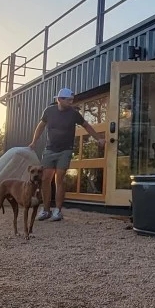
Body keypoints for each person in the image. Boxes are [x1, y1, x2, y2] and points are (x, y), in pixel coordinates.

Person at [28, 87, 105, 221]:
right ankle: (46, 210)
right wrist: (34, 142)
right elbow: (40, 126)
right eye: (68, 100)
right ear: (59, 99)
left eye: (71, 100)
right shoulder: (49, 111)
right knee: (45, 179)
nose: (71, 102)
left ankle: (58, 211)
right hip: (50, 149)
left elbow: (86, 126)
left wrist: (98, 138)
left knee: (59, 178)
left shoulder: (74, 114)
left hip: (65, 150)